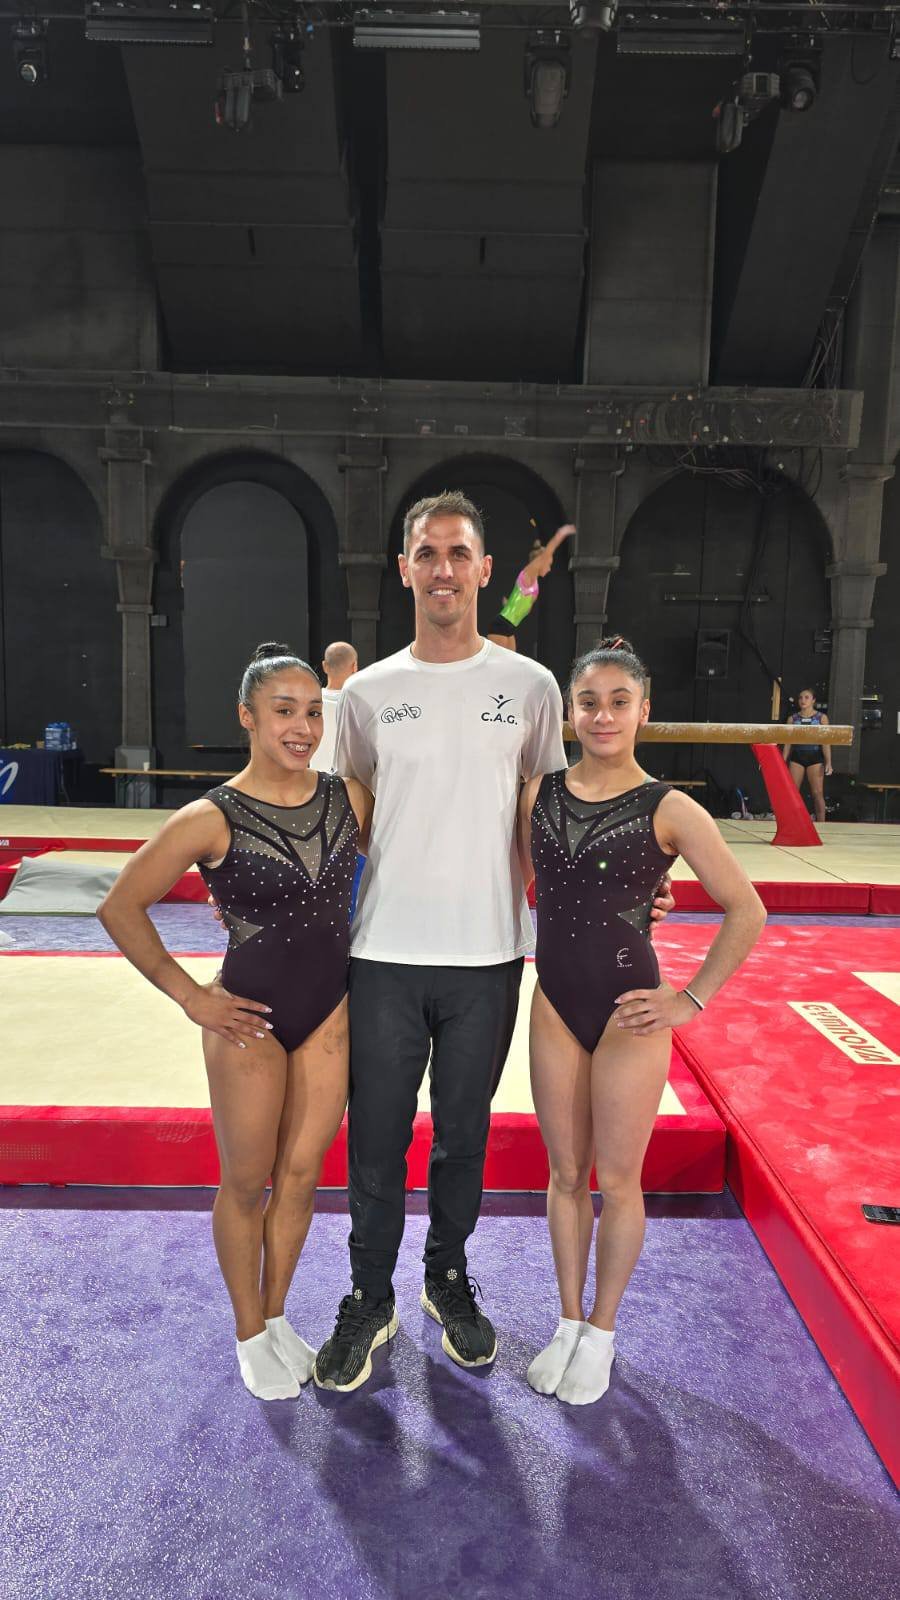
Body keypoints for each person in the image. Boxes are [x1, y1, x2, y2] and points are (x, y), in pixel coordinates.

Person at [312, 492, 675, 1394]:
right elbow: (340, 810)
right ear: (405, 569)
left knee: (462, 1137)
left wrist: (630, 896)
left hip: (489, 954)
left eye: (458, 553)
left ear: (483, 571)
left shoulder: (534, 689)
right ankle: (368, 1293)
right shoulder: (367, 693)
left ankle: (445, 1276)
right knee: (377, 1139)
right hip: (386, 949)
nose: (442, 568)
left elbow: (562, 816)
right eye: (426, 553)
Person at [97, 643, 373, 1402]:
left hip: (328, 1012)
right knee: (247, 1181)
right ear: (247, 716)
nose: (302, 726)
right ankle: (249, 1330)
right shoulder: (210, 815)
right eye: (284, 711)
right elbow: (120, 907)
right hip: (247, 1018)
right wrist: (190, 995)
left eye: (314, 711)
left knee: (302, 1174)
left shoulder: (348, 799)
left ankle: (279, 1314)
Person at [518, 637, 766, 1406]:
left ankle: (602, 1329)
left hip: (632, 1010)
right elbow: (531, 883)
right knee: (564, 1175)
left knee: (617, 1180)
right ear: (570, 711)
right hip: (555, 1001)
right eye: (588, 701)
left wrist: (688, 999)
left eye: (618, 701)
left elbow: (746, 909)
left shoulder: (670, 806)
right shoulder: (537, 794)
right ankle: (565, 1320)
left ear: (643, 711)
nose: (602, 715)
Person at [487, 522, 576, 651]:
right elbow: (547, 553)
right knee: (499, 666)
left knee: (512, 666)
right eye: (548, 564)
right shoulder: (528, 576)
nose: (549, 568)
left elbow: (522, 606)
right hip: (500, 626)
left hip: (509, 627)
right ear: (540, 562)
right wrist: (561, 534)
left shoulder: (533, 583)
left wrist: (511, 604)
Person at [782, 688, 832, 823]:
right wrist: (782, 761)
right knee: (793, 794)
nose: (803, 700)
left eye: (806, 697)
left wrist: (828, 762)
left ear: (813, 700)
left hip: (815, 758)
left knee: (817, 794)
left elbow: (825, 742)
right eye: (800, 698)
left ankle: (822, 824)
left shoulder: (821, 718)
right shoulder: (792, 719)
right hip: (797, 757)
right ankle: (790, 823)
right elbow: (788, 743)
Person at [310, 640, 358, 773]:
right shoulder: (362, 706)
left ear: (324, 666)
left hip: (315, 784)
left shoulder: (309, 703)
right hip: (349, 786)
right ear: (354, 667)